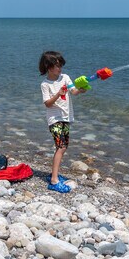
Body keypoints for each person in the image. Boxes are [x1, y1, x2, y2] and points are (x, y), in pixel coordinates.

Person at [39, 51, 86, 193]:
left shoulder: (65, 77)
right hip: (54, 119)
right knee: (61, 146)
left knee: (64, 146)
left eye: (61, 66)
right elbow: (47, 103)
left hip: (66, 118)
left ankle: (54, 174)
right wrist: (58, 94)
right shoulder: (45, 84)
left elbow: (74, 91)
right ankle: (54, 180)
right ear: (48, 67)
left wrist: (81, 90)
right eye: (57, 66)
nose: (60, 69)